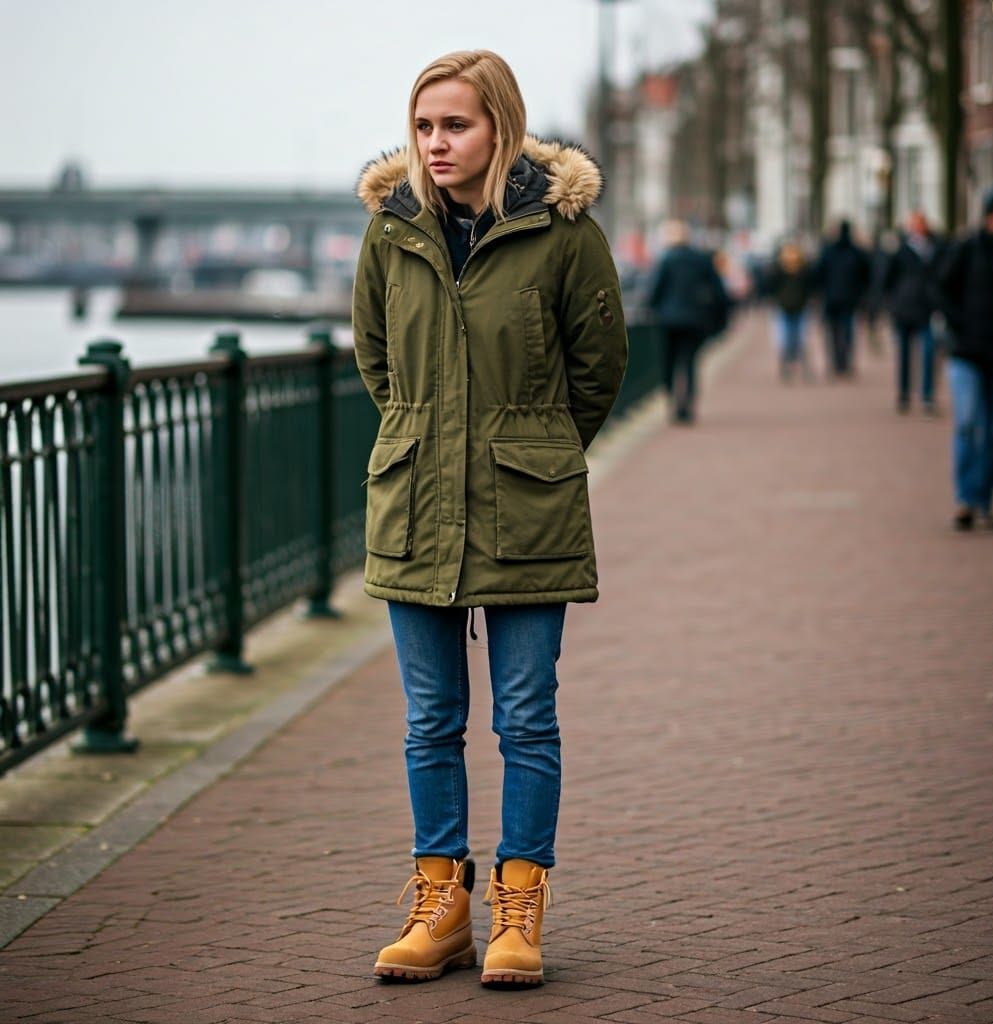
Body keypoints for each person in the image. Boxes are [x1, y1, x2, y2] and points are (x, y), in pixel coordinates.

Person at [352, 50, 628, 987]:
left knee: (525, 719)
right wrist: (432, 444)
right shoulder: (391, 232)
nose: (434, 143)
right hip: (416, 505)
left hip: (526, 512)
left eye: (455, 125)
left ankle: (519, 906)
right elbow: (376, 361)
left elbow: (599, 367)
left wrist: (535, 449)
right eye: (424, 125)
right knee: (430, 720)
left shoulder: (562, 230)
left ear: (498, 126)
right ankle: (441, 904)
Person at [936, 184, 993, 530]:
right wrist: (957, 324)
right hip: (967, 352)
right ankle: (965, 499)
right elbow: (941, 287)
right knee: (969, 422)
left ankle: (985, 499)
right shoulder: (967, 249)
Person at [647, 220, 729, 423]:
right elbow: (718, 291)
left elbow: (655, 290)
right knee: (690, 363)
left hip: (668, 320)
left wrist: (652, 307)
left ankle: (672, 401)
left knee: (669, 362)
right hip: (694, 319)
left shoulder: (666, 260)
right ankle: (688, 404)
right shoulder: (701, 259)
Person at [884, 210, 943, 414]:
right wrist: (891, 302)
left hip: (927, 308)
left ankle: (927, 396)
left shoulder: (936, 247)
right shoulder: (900, 250)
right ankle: (904, 393)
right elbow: (887, 278)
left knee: (928, 352)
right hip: (904, 308)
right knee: (905, 355)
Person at [815, 219, 870, 377]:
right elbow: (866, 275)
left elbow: (819, 274)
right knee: (847, 331)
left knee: (834, 333)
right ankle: (844, 362)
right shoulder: (856, 252)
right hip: (848, 299)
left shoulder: (828, 251)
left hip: (833, 298)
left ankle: (837, 362)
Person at [764, 240, 814, 382]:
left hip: (797, 307)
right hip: (786, 307)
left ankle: (800, 367)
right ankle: (789, 367)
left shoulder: (803, 270)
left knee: (798, 339)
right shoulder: (779, 270)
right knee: (788, 339)